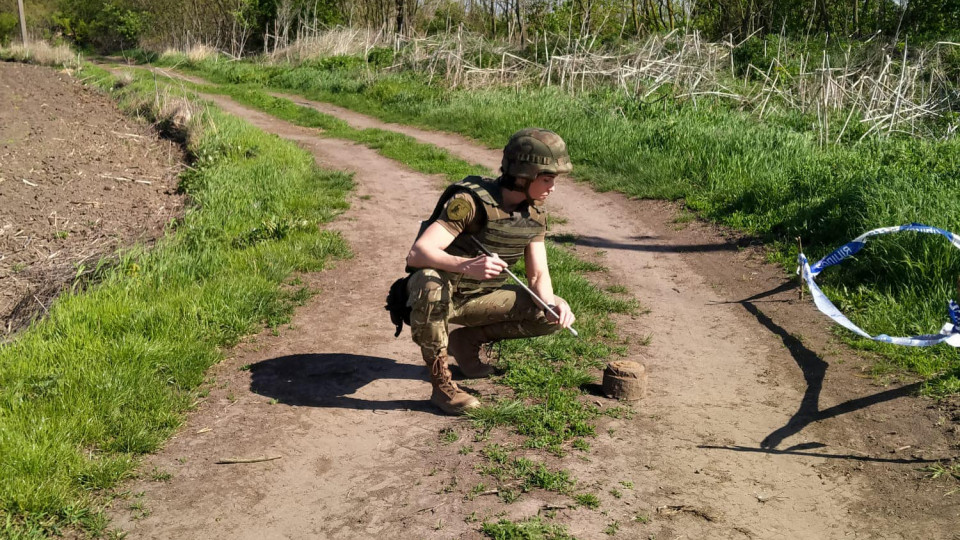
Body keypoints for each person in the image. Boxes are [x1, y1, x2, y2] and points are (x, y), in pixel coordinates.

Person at [404, 128, 577, 415]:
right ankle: (441, 386)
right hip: (439, 297)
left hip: (479, 299)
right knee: (429, 282)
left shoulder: (534, 216)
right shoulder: (470, 203)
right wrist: (467, 265)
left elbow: (537, 276)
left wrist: (553, 305)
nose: (552, 187)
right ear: (525, 175)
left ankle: (466, 340)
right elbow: (418, 253)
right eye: (547, 179)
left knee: (550, 314)